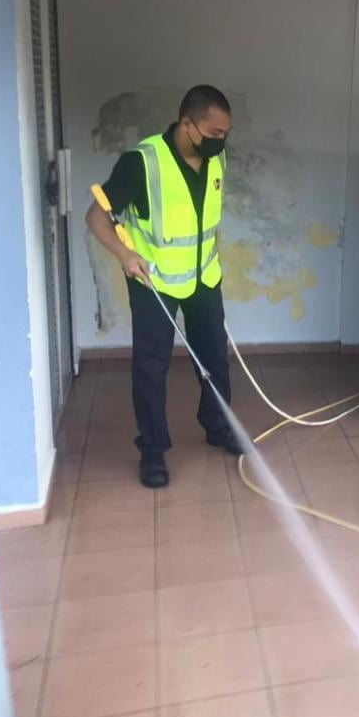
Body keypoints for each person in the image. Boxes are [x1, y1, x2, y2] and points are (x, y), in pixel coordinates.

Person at [86, 84, 243, 489]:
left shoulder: (217, 158)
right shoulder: (142, 163)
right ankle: (153, 451)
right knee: (151, 368)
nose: (222, 141)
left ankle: (218, 426)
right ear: (188, 125)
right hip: (154, 281)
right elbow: (96, 217)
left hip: (204, 278)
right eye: (215, 133)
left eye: (226, 133)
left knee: (214, 359)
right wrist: (125, 256)